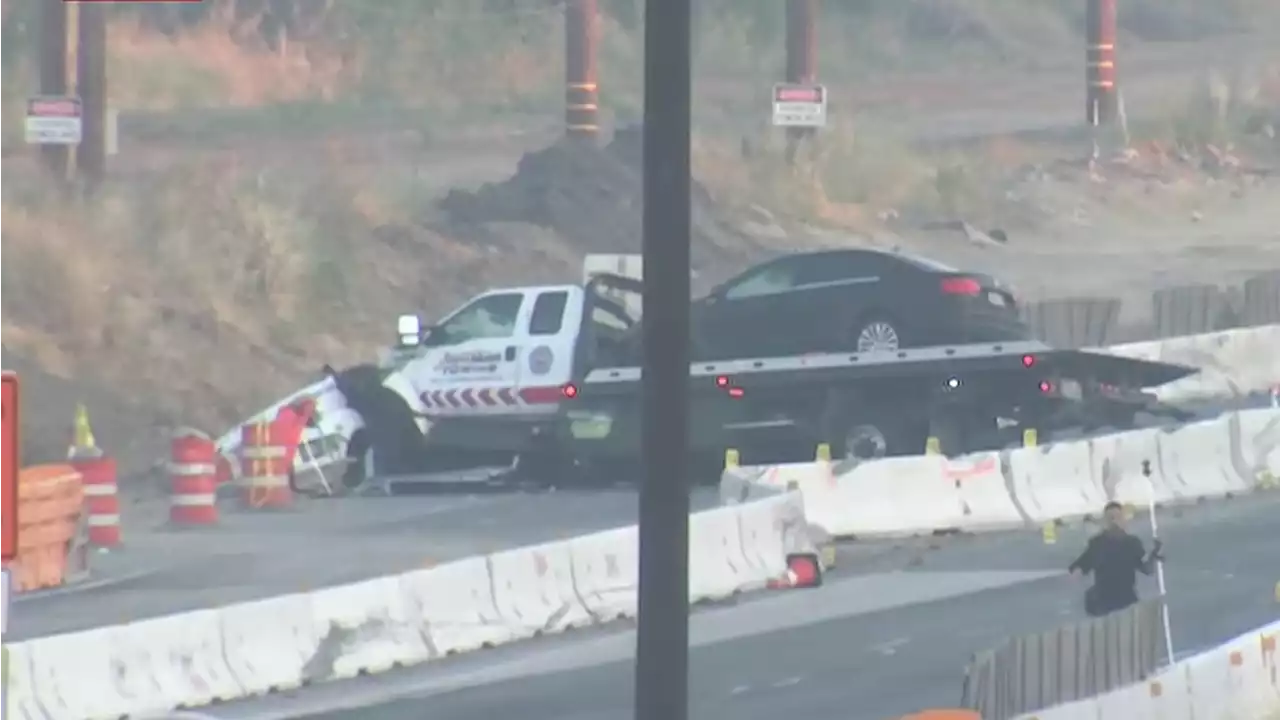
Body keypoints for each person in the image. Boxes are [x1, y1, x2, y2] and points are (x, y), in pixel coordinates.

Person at [1069, 501, 1164, 618]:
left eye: (1117, 517)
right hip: (1104, 601)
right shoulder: (1097, 543)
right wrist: (1077, 571)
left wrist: (1154, 554)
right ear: (1105, 522)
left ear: (1124, 521)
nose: (1114, 521)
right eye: (1110, 518)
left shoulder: (1132, 543)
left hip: (1125, 599)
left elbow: (1147, 569)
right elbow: (1083, 563)